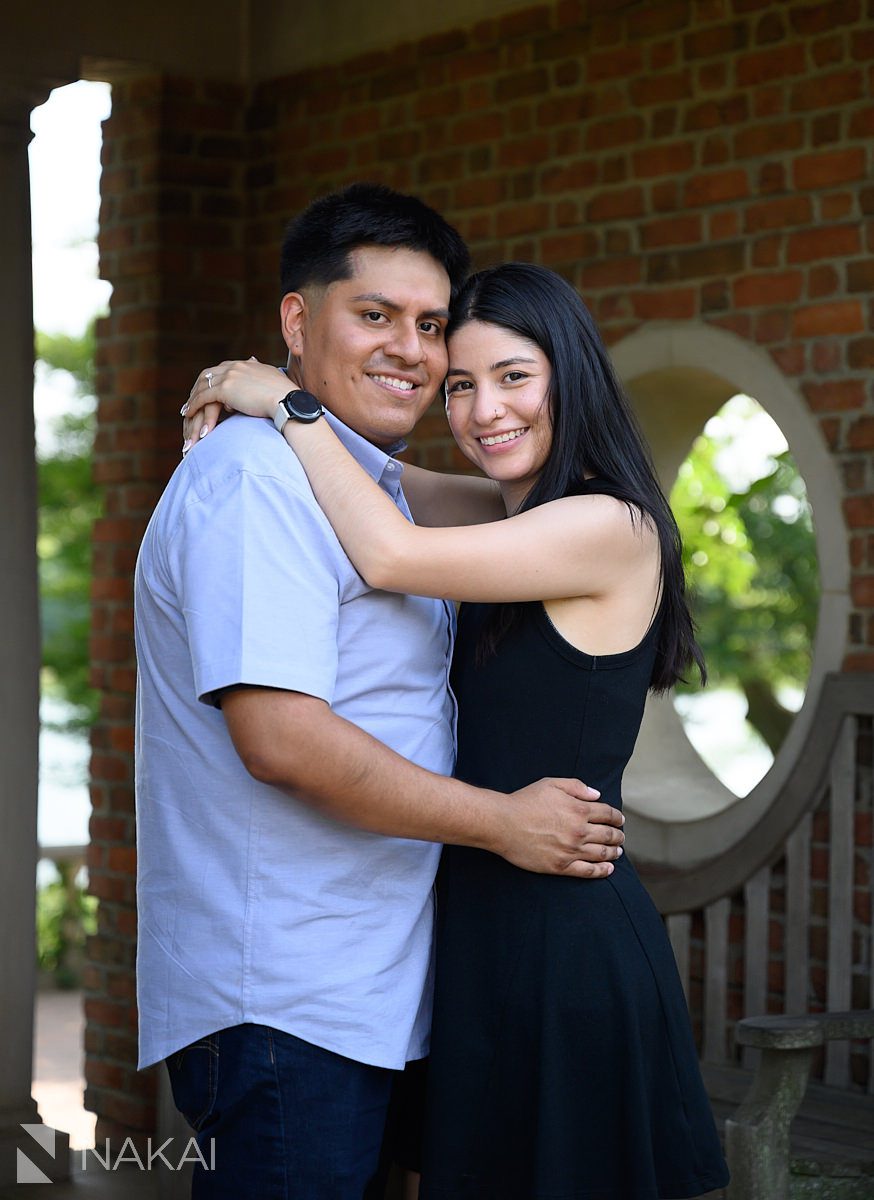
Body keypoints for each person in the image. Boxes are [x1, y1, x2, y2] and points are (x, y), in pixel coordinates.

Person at [184, 260, 731, 1198]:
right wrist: (261, 397)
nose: (484, 412)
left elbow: (388, 549)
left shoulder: (611, 524)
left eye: (515, 377)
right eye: (463, 384)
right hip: (477, 932)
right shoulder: (516, 511)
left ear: (571, 373)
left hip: (566, 944)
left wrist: (287, 404)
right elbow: (383, 486)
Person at [135, 186, 626, 1200]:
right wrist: (501, 823)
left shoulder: (363, 484)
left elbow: (434, 520)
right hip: (285, 1002)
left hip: (371, 994)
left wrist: (276, 395)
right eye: (374, 315)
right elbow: (281, 741)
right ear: (297, 320)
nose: (413, 349)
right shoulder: (258, 483)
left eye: (430, 325)